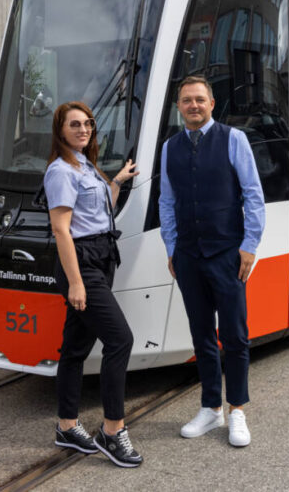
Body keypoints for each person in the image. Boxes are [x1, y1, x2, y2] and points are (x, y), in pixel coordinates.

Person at [158, 75, 265, 448]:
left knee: (234, 336)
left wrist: (249, 245)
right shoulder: (170, 148)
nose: (193, 106)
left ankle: (236, 410)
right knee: (201, 335)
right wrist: (171, 248)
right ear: (179, 107)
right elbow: (166, 202)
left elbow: (253, 194)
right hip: (187, 255)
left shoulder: (234, 139)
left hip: (226, 254)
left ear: (212, 103)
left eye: (199, 100)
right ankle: (210, 408)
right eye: (187, 100)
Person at [44, 101, 142, 467]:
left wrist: (115, 182)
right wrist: (76, 284)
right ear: (60, 131)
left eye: (87, 124)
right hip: (81, 264)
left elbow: (100, 214)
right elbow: (61, 229)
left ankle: (67, 425)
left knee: (74, 348)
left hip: (101, 257)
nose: (83, 129)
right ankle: (112, 431)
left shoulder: (85, 165)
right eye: (74, 125)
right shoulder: (60, 172)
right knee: (120, 340)